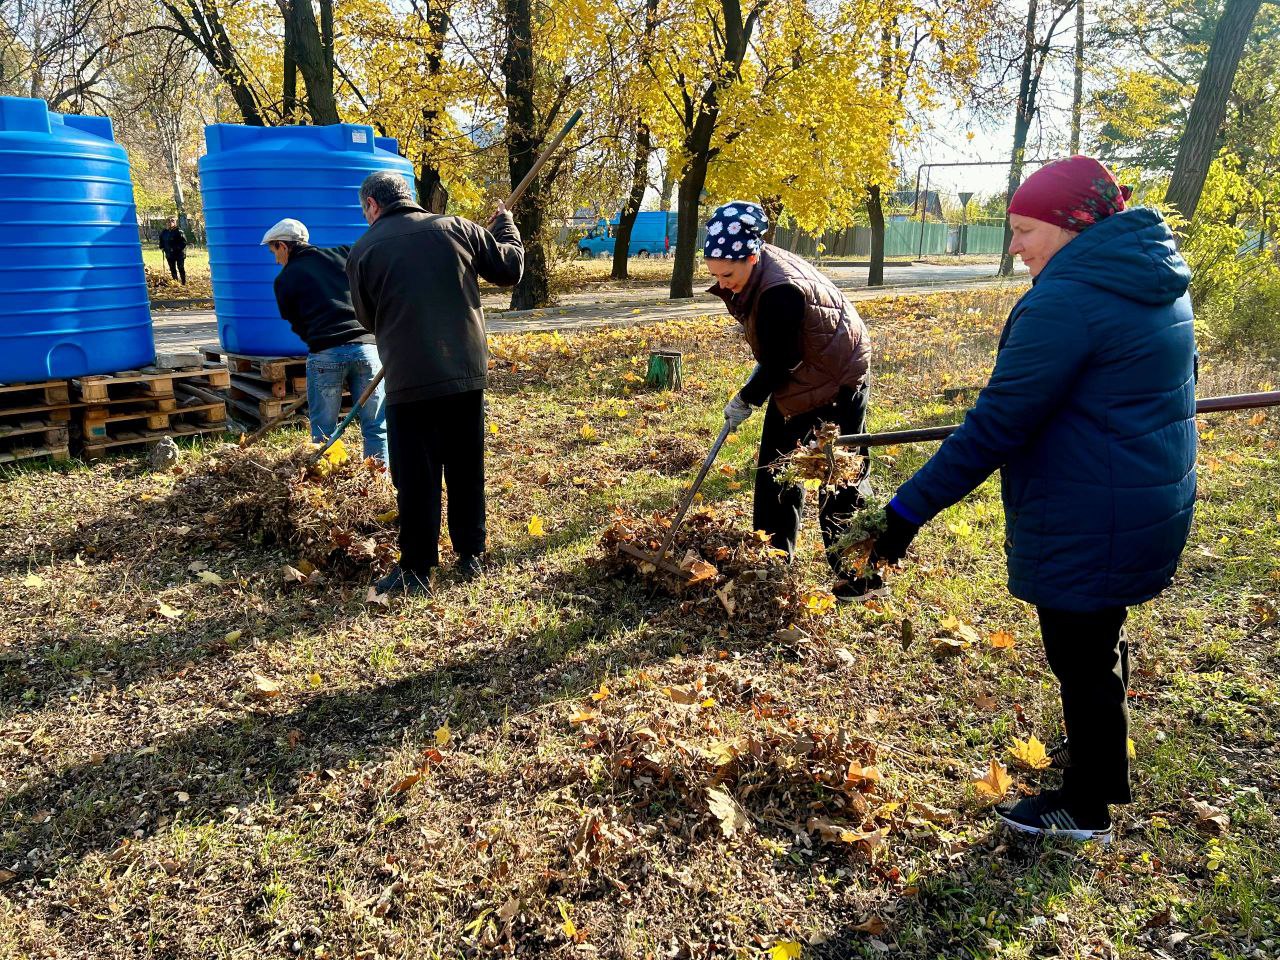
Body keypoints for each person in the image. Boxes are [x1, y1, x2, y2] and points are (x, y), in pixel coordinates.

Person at [868, 156, 1197, 843]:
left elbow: (995, 426)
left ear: (1073, 225)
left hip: (1092, 508)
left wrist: (905, 513)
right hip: (1141, 497)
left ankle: (1084, 807)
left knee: (1080, 655)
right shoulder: (1154, 276)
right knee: (1098, 644)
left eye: (1024, 230)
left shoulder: (1067, 300)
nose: (1014, 247)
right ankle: (1102, 764)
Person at [346, 171, 523, 595]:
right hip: (464, 372)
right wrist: (507, 228)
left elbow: (366, 319)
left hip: (408, 378)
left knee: (415, 474)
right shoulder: (457, 228)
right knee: (465, 466)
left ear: (372, 205)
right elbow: (509, 269)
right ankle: (470, 555)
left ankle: (417, 567)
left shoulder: (363, 250)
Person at [705, 201, 877, 602]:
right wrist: (755, 384)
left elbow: (782, 359)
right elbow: (781, 352)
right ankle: (772, 562)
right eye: (714, 274)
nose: (722, 283)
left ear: (752, 255)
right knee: (776, 471)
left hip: (833, 381)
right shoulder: (760, 268)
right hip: (811, 371)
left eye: (727, 274)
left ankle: (861, 578)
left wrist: (747, 398)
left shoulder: (779, 290)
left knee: (838, 478)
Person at [262, 218, 388, 464]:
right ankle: (378, 484)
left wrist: (319, 339)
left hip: (326, 354)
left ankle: (326, 486)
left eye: (274, 251)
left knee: (323, 432)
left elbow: (294, 321)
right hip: (367, 350)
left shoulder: (285, 280)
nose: (275, 259)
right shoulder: (343, 254)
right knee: (376, 426)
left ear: (283, 246)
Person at [158, 217, 187, 284]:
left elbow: (184, 242)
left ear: (175, 222)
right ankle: (175, 282)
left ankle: (183, 282)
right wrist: (161, 247)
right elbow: (161, 240)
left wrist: (176, 249)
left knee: (180, 267)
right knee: (172, 268)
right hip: (169, 254)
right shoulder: (164, 232)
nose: (170, 223)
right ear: (166, 223)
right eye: (168, 221)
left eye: (172, 221)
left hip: (179, 254)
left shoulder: (179, 231)